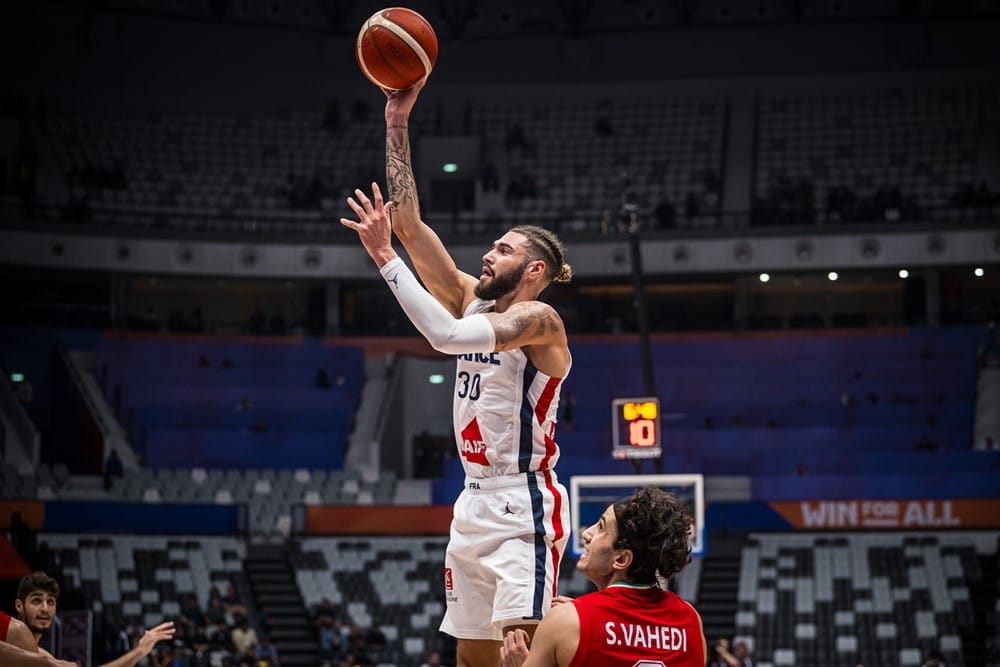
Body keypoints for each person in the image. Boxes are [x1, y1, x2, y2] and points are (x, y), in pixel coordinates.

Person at [340, 76, 573, 667]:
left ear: (534, 269)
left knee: (525, 655)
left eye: (504, 249)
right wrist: (396, 122)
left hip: (523, 502)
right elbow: (410, 226)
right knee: (473, 660)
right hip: (472, 500)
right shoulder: (472, 299)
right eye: (492, 246)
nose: (488, 254)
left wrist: (385, 259)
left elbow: (443, 338)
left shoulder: (540, 322)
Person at [498, 487, 706, 667]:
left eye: (601, 527)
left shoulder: (566, 621)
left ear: (621, 559)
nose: (586, 534)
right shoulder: (691, 620)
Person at [15, 571, 175, 667]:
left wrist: (140, 651)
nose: (45, 608)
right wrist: (139, 652)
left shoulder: (41, 654)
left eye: (50, 602)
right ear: (19, 606)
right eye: (36, 601)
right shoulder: (10, 641)